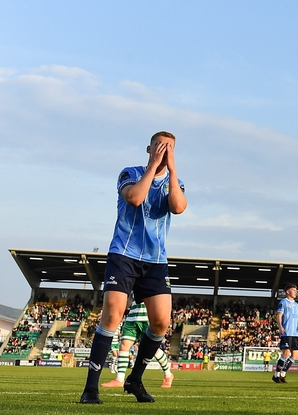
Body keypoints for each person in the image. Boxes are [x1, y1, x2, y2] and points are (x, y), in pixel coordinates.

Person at [79, 131, 186, 404]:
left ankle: (135, 379)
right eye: (160, 146)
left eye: (169, 148)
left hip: (156, 261)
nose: (164, 151)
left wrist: (171, 169)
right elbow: (135, 198)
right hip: (124, 256)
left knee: (161, 322)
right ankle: (91, 389)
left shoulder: (177, 182)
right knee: (112, 315)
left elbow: (178, 207)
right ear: (149, 148)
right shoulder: (129, 172)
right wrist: (153, 166)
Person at [101, 300, 174, 388]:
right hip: (133, 316)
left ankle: (168, 375)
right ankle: (119, 379)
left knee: (152, 349)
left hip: (148, 316)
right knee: (124, 345)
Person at [272, 284, 298, 383]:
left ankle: (282, 374)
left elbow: (297, 317)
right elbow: (279, 315)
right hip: (286, 332)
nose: (295, 292)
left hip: (295, 333)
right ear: (288, 292)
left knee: (295, 355)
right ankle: (276, 375)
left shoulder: (296, 304)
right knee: (286, 353)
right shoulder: (283, 302)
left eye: (296, 290)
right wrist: (280, 326)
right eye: (293, 290)